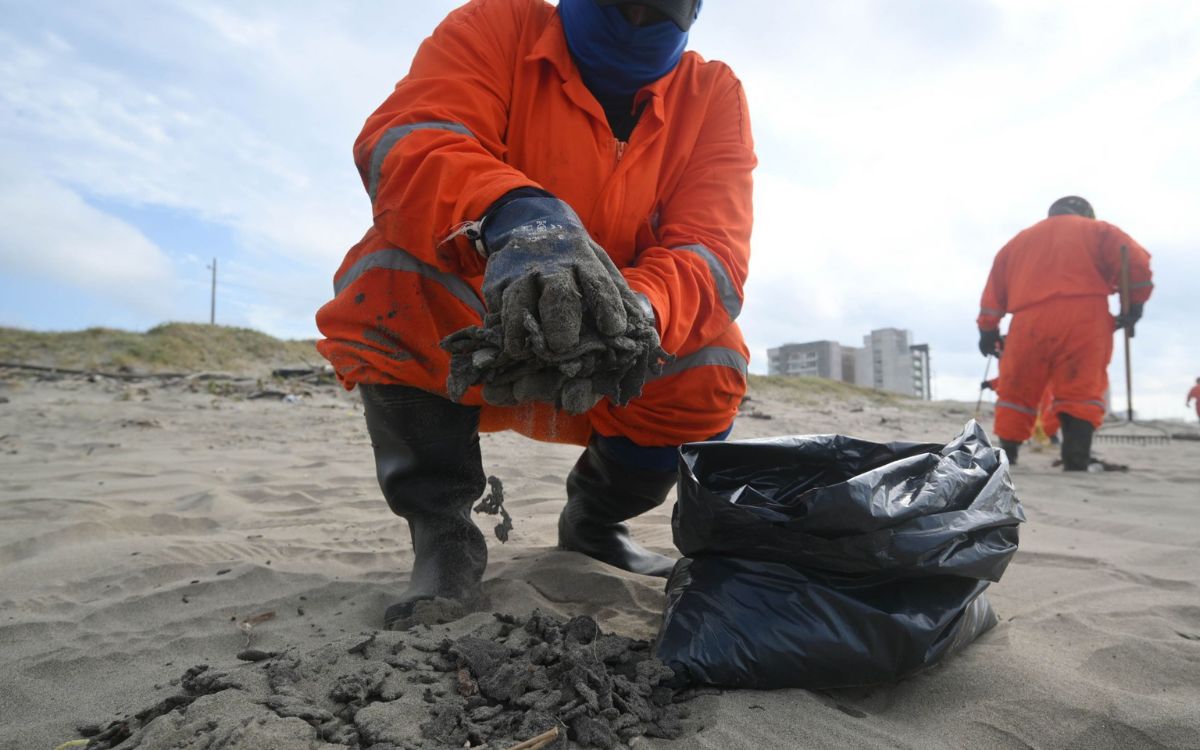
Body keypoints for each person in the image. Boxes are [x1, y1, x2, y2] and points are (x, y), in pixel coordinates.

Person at [315, 0, 754, 627]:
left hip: (611, 346)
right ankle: (443, 537)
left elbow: (712, 249)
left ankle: (594, 523)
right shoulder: (495, 27)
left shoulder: (712, 94)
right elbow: (410, 138)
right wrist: (515, 213)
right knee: (391, 279)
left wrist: (636, 310)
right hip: (482, 317)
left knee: (712, 359)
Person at [976, 196, 1153, 470]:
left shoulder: (1017, 242)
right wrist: (1134, 305)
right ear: (1085, 213)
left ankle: (1007, 457)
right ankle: (1076, 460)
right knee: (1080, 390)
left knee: (1016, 391)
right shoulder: (1099, 231)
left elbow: (994, 288)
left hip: (1028, 321)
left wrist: (988, 329)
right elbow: (1135, 261)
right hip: (1084, 317)